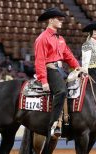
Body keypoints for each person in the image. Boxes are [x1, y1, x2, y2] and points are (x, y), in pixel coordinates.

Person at [35, 7, 83, 137]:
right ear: (51, 20)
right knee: (61, 91)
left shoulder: (60, 38)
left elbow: (68, 55)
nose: (61, 21)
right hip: (50, 69)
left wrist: (78, 68)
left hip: (60, 70)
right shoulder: (42, 38)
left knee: (79, 87)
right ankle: (54, 123)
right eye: (59, 19)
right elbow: (39, 61)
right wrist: (43, 80)